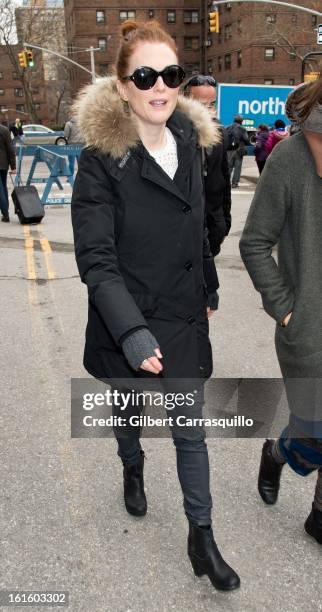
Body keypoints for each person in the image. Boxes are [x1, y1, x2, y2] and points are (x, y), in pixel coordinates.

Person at [71, 20, 240, 591]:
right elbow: (97, 259)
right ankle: (131, 463)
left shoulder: (191, 143)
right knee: (128, 406)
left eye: (171, 74)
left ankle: (203, 536)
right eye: (145, 76)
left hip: (184, 314)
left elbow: (195, 230)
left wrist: (210, 286)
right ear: (122, 86)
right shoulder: (100, 160)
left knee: (191, 431)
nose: (160, 87)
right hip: (131, 319)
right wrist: (133, 333)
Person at [239, 77, 322, 545]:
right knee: (314, 436)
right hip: (309, 329)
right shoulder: (290, 158)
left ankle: (319, 515)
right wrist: (287, 310)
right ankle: (277, 452)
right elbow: (254, 242)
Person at [183, 74, 231, 259]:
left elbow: (224, 177)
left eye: (212, 104)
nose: (208, 110)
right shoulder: (171, 133)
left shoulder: (219, 132)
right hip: (184, 227)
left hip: (212, 224)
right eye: (202, 104)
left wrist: (224, 221)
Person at [226, 114, 249, 188]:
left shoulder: (228, 127)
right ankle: (234, 183)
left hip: (229, 150)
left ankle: (226, 182)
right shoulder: (242, 128)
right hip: (239, 150)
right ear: (241, 121)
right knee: (237, 167)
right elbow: (246, 139)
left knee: (229, 167)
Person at [0, 122, 16, 222]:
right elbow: (10, 149)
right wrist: (13, 166)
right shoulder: (5, 130)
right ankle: (6, 213)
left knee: (0, 189)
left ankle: (5, 214)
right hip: (3, 163)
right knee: (3, 187)